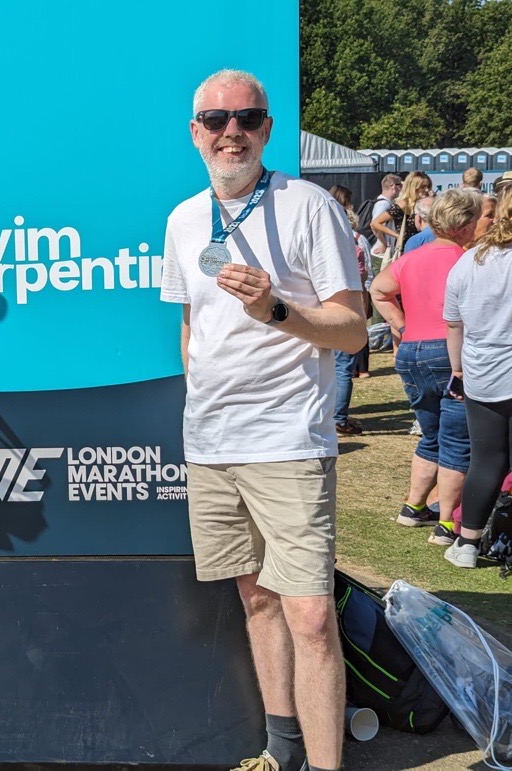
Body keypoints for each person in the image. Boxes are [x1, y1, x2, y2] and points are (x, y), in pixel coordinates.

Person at [160, 69, 365, 771]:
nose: (231, 131)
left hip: (288, 442)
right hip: (213, 444)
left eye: (246, 117)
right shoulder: (184, 219)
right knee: (257, 603)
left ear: (268, 128)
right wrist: (202, 396)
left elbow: (352, 330)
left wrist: (277, 308)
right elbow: (192, 326)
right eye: (215, 120)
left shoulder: (309, 206)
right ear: (196, 133)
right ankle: (282, 751)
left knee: (310, 615)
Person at [369, 188, 483, 546]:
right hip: (450, 354)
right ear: (465, 226)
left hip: (412, 352)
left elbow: (378, 289)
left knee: (430, 434)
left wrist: (402, 326)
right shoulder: (468, 259)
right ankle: (447, 523)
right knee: (457, 441)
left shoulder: (411, 258)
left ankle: (413, 506)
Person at [442, 184, 512, 567]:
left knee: (485, 461)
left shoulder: (468, 261)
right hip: (509, 371)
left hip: (481, 374)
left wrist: (457, 369)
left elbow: (454, 325)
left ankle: (468, 544)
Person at [328, 184, 371, 432]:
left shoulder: (318, 245)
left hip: (324, 310)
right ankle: (339, 418)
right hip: (348, 309)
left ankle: (331, 415)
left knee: (329, 367)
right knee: (344, 367)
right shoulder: (356, 244)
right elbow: (364, 281)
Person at [371, 171, 432, 265]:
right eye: (422, 187)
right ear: (413, 188)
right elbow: (375, 223)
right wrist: (397, 236)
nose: (427, 190)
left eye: (428, 186)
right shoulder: (404, 204)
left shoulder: (426, 203)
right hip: (405, 252)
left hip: (423, 248)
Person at [367, 173, 403, 256]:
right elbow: (374, 225)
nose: (401, 189)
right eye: (400, 185)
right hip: (380, 253)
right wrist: (383, 243)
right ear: (393, 186)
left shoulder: (384, 202)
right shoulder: (384, 204)